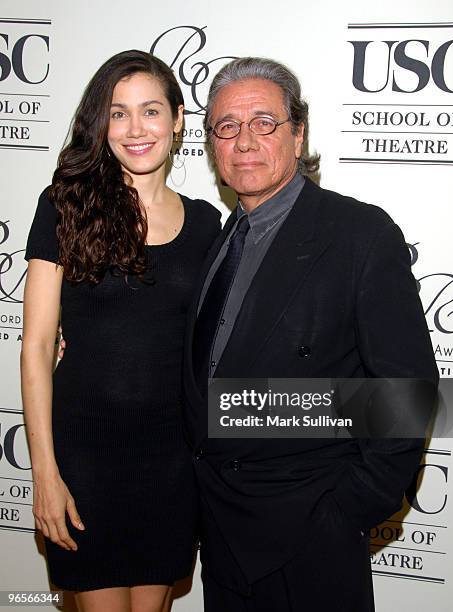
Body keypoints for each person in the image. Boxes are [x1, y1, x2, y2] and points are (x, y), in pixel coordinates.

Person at [182, 57, 439, 612]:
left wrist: (343, 514)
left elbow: (406, 393)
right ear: (212, 147)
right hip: (224, 540)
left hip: (310, 547)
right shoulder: (218, 237)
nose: (244, 140)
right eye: (227, 126)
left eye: (264, 122)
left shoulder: (359, 235)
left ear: (298, 136)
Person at [20, 50, 220, 612]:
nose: (136, 129)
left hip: (170, 462)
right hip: (85, 457)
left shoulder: (208, 223)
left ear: (178, 119)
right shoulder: (65, 206)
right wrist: (45, 475)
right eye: (118, 113)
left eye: (151, 111)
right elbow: (36, 346)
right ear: (100, 123)